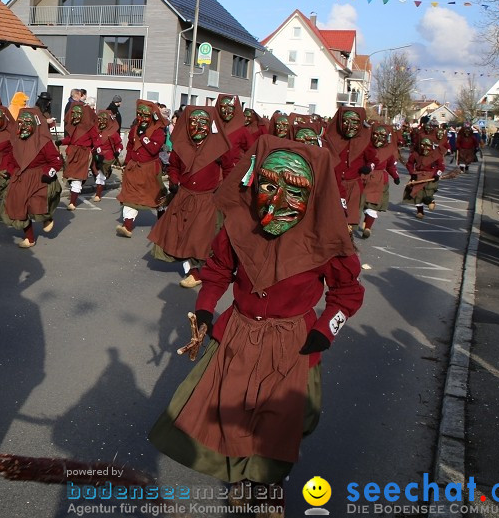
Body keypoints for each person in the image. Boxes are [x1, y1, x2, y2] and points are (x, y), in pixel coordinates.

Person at [149, 136, 364, 511]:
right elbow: (217, 271)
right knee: (230, 410)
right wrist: (205, 307)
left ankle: (267, 487)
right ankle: (239, 477)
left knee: (281, 422)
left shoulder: (325, 239)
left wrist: (325, 331)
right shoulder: (237, 226)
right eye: (268, 185)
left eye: (293, 191)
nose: (278, 199)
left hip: (293, 342)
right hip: (239, 334)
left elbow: (347, 293)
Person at [149, 106, 233, 289]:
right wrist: (173, 180)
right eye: (193, 121)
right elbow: (173, 167)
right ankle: (190, 266)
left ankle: (196, 273)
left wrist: (224, 191)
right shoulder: (181, 146)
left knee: (200, 236)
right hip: (184, 196)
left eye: (203, 122)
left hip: (207, 199)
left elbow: (228, 170)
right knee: (180, 233)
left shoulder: (219, 147)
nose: (198, 126)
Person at [0, 108, 62, 248]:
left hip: (39, 178)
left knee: (36, 204)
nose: (23, 126)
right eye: (20, 123)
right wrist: (8, 171)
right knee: (19, 207)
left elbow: (56, 161)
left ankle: (46, 217)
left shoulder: (44, 141)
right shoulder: (15, 141)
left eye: (27, 122)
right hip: (20, 178)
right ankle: (30, 238)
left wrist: (48, 173)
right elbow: (9, 160)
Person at [115, 100, 169, 238]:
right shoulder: (134, 129)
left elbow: (153, 149)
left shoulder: (158, 131)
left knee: (156, 196)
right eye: (139, 115)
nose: (142, 118)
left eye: (145, 115)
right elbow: (130, 147)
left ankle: (162, 222)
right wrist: (126, 163)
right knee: (129, 196)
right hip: (134, 168)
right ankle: (127, 226)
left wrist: (144, 136)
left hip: (150, 169)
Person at [325, 107, 377, 232]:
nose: (350, 126)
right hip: (333, 184)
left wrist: (368, 167)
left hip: (353, 184)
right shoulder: (330, 139)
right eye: (346, 121)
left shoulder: (364, 142)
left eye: (354, 122)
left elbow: (373, 160)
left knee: (350, 218)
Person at [359, 123, 402, 239]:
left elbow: (391, 166)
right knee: (364, 203)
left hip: (378, 180)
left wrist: (396, 176)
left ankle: (367, 227)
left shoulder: (388, 151)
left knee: (372, 204)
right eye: (376, 134)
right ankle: (367, 224)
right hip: (365, 176)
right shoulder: (366, 147)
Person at [60, 100, 99, 210]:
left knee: (77, 178)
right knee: (71, 176)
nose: (75, 116)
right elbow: (70, 139)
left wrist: (98, 149)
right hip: (72, 152)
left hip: (83, 153)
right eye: (74, 114)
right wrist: (61, 142)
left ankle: (72, 202)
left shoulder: (89, 127)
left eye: (78, 114)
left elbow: (95, 139)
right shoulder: (73, 126)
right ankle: (74, 192)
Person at [404, 134, 446, 219]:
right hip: (418, 176)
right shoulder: (415, 154)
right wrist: (412, 173)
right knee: (417, 194)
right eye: (423, 145)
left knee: (428, 193)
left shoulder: (436, 155)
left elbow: (441, 166)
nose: (425, 148)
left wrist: (437, 174)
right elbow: (410, 164)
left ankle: (431, 201)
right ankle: (420, 212)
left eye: (427, 146)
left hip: (431, 176)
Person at [91, 109, 122, 202]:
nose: (101, 122)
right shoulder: (95, 131)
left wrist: (117, 151)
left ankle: (98, 195)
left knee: (100, 175)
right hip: (95, 155)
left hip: (107, 157)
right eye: (99, 119)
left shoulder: (113, 133)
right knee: (95, 173)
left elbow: (120, 145)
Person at [214, 94, 253, 167]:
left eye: (230, 107)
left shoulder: (242, 130)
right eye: (223, 107)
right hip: (214, 170)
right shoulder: (212, 126)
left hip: (232, 170)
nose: (227, 111)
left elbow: (251, 150)